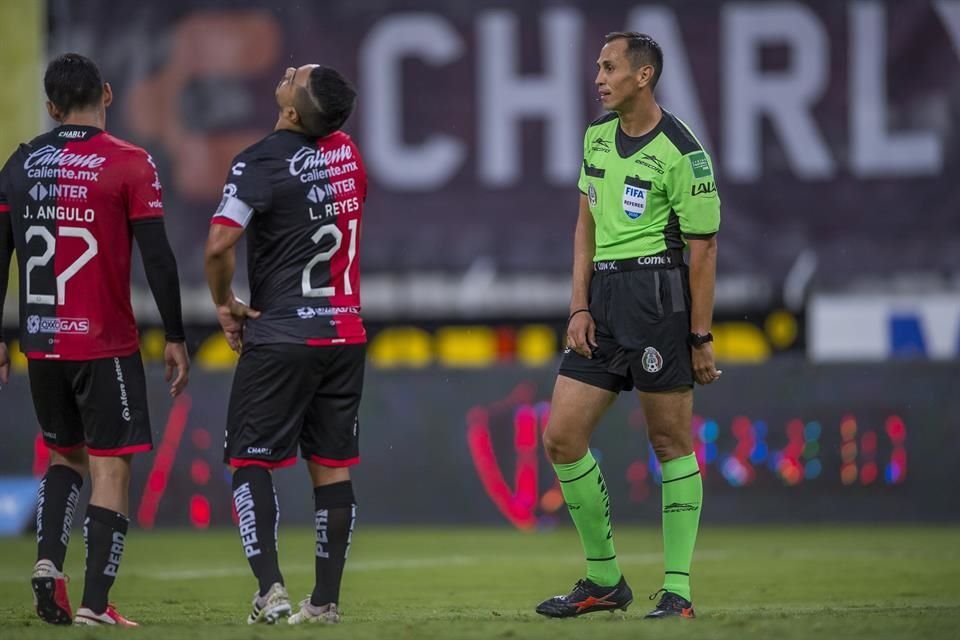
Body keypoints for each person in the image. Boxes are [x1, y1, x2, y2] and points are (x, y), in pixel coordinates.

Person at [535, 32, 721, 620]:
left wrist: (699, 335)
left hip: (656, 299)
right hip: (604, 304)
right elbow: (583, 226)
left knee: (669, 443)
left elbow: (704, 250)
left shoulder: (683, 152)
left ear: (643, 76)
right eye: (597, 67)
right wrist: (578, 305)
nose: (598, 77)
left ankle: (679, 592)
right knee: (561, 437)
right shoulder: (595, 138)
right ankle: (603, 580)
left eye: (609, 67)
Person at [0, 53, 189, 626]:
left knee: (64, 456)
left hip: (41, 344)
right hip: (104, 344)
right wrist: (176, 336)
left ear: (52, 107)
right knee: (111, 468)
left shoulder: (21, 163)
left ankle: (47, 561)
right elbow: (157, 257)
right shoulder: (130, 163)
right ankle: (95, 604)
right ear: (106, 94)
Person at [204, 63, 367, 626]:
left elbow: (220, 244)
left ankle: (269, 589)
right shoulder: (347, 153)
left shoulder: (258, 162)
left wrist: (226, 303)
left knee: (250, 457)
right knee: (332, 466)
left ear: (293, 112)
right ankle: (324, 603)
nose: (292, 68)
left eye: (297, 76)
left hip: (281, 334)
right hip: (343, 332)